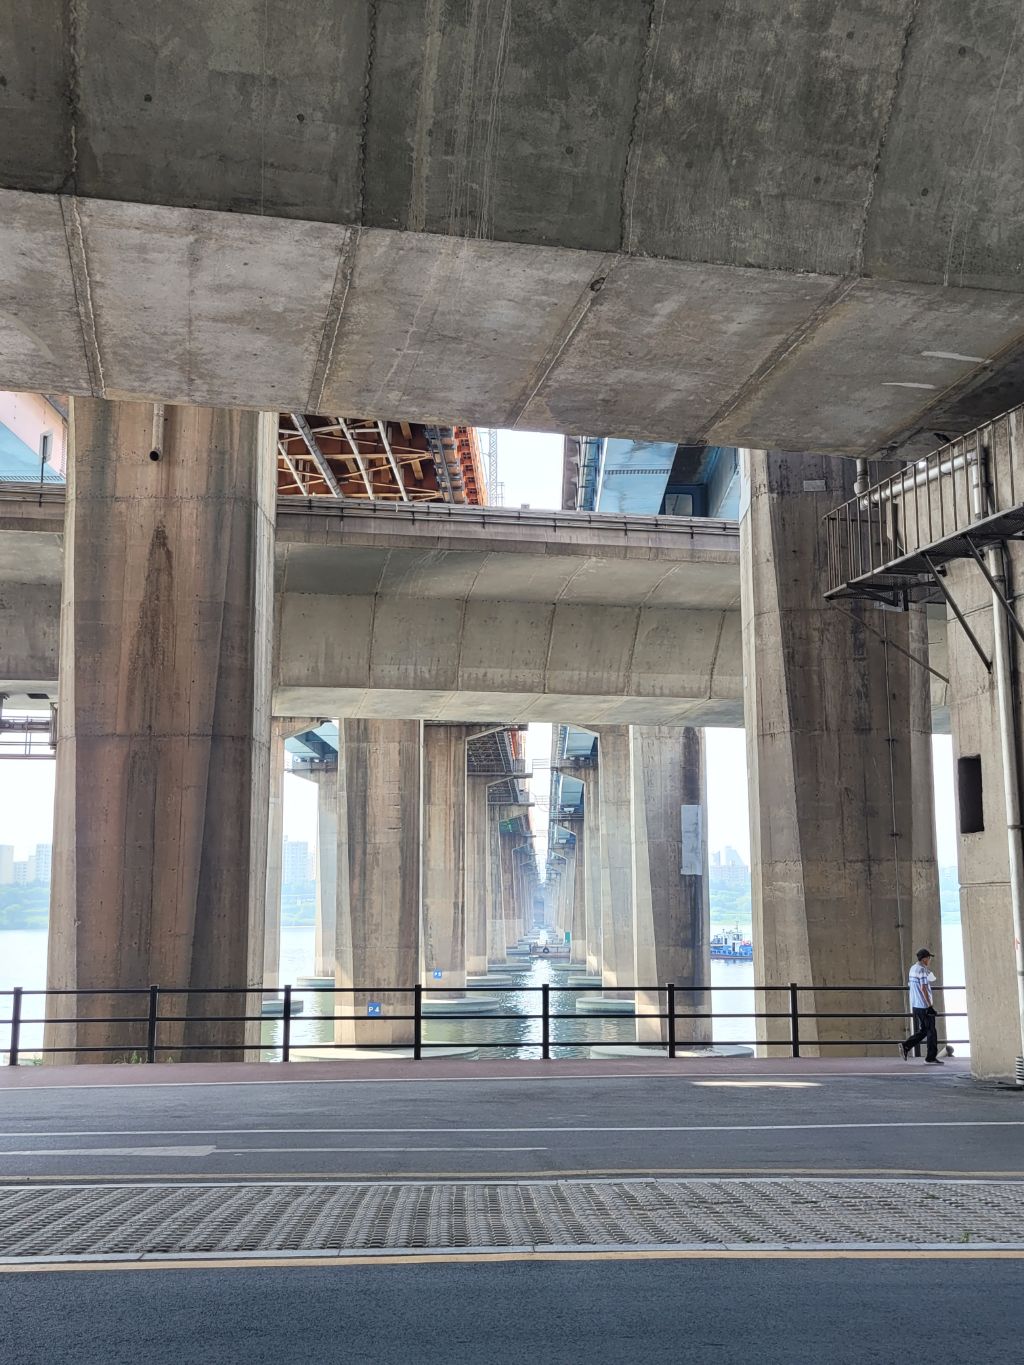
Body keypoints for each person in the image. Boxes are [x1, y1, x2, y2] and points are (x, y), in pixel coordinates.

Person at [899, 948, 942, 1064]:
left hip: (915, 1004)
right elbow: (923, 988)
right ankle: (930, 1058)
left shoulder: (913, 968)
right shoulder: (922, 970)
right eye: (929, 958)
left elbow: (926, 981)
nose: (930, 960)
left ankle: (906, 1045)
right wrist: (929, 1006)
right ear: (924, 959)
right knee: (931, 1031)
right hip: (924, 1006)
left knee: (924, 1030)